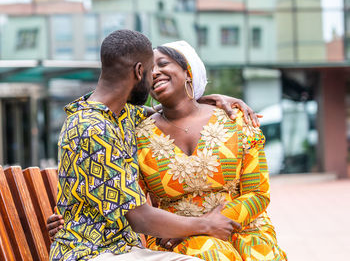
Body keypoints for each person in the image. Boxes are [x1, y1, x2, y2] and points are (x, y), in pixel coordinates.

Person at [48, 30, 259, 261]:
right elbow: (141, 218)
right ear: (139, 71)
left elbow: (169, 110)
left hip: (122, 249)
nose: (153, 80)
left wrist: (205, 98)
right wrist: (205, 225)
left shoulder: (120, 115)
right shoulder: (92, 128)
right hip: (91, 253)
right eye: (151, 71)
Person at [134, 41, 288, 260]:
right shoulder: (138, 136)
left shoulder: (235, 120)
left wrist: (206, 224)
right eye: (149, 70)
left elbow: (258, 194)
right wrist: (190, 228)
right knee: (209, 251)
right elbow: (139, 207)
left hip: (242, 231)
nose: (155, 72)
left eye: (162, 63)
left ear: (188, 71)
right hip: (176, 240)